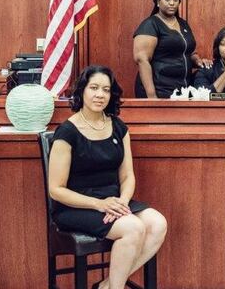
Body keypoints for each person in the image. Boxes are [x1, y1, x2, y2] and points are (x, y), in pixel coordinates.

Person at [48, 65, 168, 289]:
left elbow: (127, 176)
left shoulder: (119, 127)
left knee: (158, 223)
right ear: (82, 90)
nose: (100, 94)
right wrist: (99, 204)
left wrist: (122, 202)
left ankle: (107, 285)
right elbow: (56, 189)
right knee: (133, 228)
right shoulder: (67, 132)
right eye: (94, 88)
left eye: (105, 89)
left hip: (113, 201)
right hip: (76, 206)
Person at [133, 0, 211, 98]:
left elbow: (187, 52)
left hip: (182, 91)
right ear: (158, 2)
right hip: (159, 91)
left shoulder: (183, 23)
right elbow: (142, 60)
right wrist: (151, 96)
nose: (172, 3)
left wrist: (198, 61)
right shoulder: (150, 24)